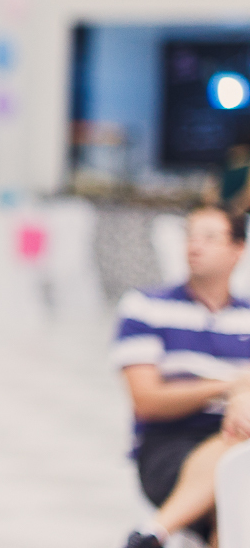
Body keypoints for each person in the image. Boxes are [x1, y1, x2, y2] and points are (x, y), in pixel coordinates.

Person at [116, 205, 250, 548]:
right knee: (237, 482)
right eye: (190, 235)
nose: (195, 246)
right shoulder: (146, 306)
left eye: (209, 237)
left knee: (238, 494)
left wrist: (241, 395)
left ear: (239, 249)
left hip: (239, 438)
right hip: (168, 446)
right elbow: (147, 401)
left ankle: (151, 533)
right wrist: (229, 387)